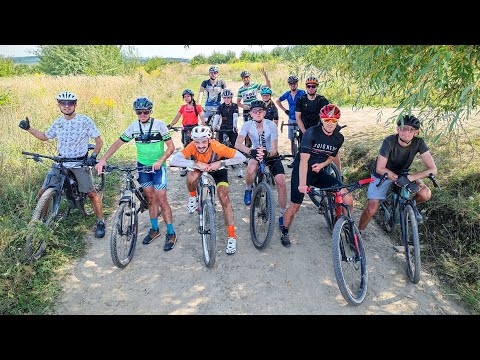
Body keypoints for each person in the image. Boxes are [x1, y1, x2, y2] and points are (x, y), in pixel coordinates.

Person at [95, 97, 178, 251]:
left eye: (145, 112)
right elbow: (118, 143)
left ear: (150, 111)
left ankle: (171, 233)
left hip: (158, 167)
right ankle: (154, 230)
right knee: (150, 199)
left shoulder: (159, 125)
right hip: (142, 167)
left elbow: (171, 147)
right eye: (139, 112)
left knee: (161, 199)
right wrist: (104, 159)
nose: (142, 115)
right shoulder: (134, 127)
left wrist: (160, 161)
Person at [19, 91, 106, 238]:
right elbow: (45, 137)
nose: (66, 106)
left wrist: (93, 156)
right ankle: (41, 220)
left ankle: (101, 221)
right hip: (61, 162)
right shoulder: (58, 122)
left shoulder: (84, 120)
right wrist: (29, 129)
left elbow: (99, 141)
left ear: (75, 105)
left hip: (79, 162)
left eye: (70, 103)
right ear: (59, 105)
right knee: (43, 191)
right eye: (63, 103)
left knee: (91, 193)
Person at [281, 104, 352, 248]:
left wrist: (321, 165)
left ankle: (347, 227)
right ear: (321, 119)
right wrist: (302, 184)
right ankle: (285, 230)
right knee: (295, 206)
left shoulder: (339, 138)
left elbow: (332, 157)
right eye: (327, 120)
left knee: (347, 197)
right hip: (302, 171)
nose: (330, 124)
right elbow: (303, 161)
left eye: (333, 121)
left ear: (337, 121)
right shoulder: (311, 133)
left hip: (319, 172)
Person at [169, 125, 247, 255]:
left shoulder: (217, 146)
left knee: (224, 198)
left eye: (204, 141)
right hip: (200, 167)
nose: (200, 145)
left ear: (209, 140)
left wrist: (221, 163)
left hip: (218, 169)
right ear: (193, 141)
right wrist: (195, 164)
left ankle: (232, 236)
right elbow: (174, 160)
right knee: (191, 176)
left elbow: (241, 157)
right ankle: (193, 197)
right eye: (197, 142)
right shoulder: (192, 146)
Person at [358, 115, 437, 232]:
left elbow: (433, 169)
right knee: (371, 209)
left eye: (412, 130)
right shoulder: (389, 141)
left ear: (416, 132)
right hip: (382, 174)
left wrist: (410, 178)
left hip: (404, 173)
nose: (407, 133)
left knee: (425, 194)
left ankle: (407, 210)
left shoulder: (419, 142)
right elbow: (380, 168)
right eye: (404, 128)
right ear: (398, 129)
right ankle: (358, 232)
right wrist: (398, 179)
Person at [234, 100, 287, 229]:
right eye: (255, 111)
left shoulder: (271, 125)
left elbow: (274, 147)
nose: (258, 113)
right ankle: (248, 189)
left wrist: (268, 154)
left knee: (281, 182)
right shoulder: (247, 125)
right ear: (251, 113)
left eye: (260, 111)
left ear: (264, 112)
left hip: (270, 154)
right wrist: (251, 151)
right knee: (251, 168)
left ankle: (282, 214)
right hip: (255, 152)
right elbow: (238, 144)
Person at [168, 89, 204, 176]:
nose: (186, 98)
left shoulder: (197, 107)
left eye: (188, 96)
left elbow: (202, 117)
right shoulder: (183, 107)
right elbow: (177, 117)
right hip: (185, 129)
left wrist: (204, 125)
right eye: (185, 97)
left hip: (194, 128)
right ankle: (185, 167)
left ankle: (196, 165)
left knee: (196, 147)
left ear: (191, 97)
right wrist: (170, 125)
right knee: (185, 147)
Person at [211, 88, 244, 178]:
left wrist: (234, 126)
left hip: (231, 128)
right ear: (223, 98)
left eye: (228, 98)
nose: (227, 99)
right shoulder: (221, 106)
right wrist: (213, 127)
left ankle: (240, 168)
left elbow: (235, 116)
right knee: (220, 148)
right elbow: (217, 116)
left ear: (231, 98)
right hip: (223, 127)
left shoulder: (234, 106)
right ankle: (221, 167)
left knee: (236, 147)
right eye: (225, 98)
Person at [275, 75, 306, 167]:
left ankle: (302, 159)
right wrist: (285, 110)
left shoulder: (302, 93)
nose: (293, 85)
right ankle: (294, 160)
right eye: (291, 84)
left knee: (301, 139)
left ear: (297, 84)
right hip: (291, 118)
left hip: (300, 118)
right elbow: (278, 101)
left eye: (294, 83)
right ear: (289, 85)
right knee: (292, 140)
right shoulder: (287, 94)